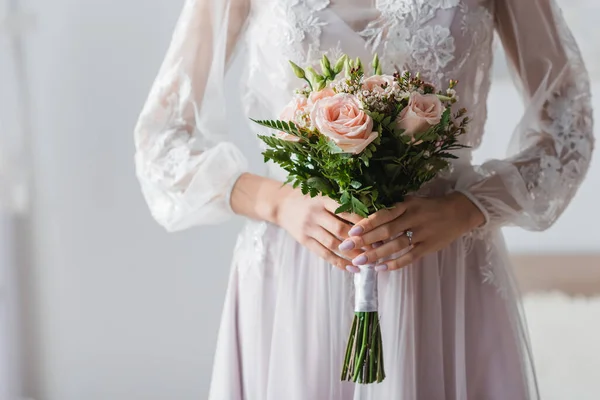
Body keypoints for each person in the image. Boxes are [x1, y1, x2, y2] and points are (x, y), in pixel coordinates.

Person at [133, 0, 594, 399]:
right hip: (297, 276)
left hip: (443, 270)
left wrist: (465, 208)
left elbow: (568, 127)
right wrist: (277, 202)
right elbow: (163, 139)